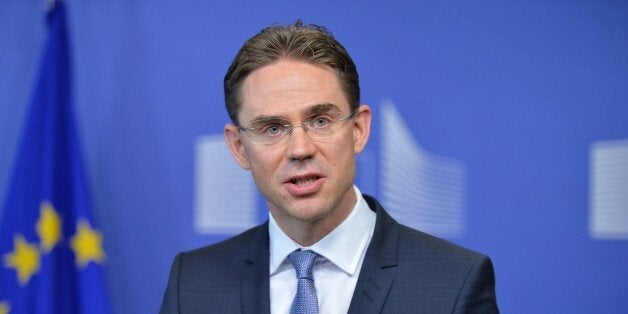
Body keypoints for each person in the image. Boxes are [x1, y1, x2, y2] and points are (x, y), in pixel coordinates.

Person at [160, 20, 498, 313]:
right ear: (239, 148)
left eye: (320, 121)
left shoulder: (453, 282)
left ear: (358, 130)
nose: (300, 149)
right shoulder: (192, 282)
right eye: (273, 128)